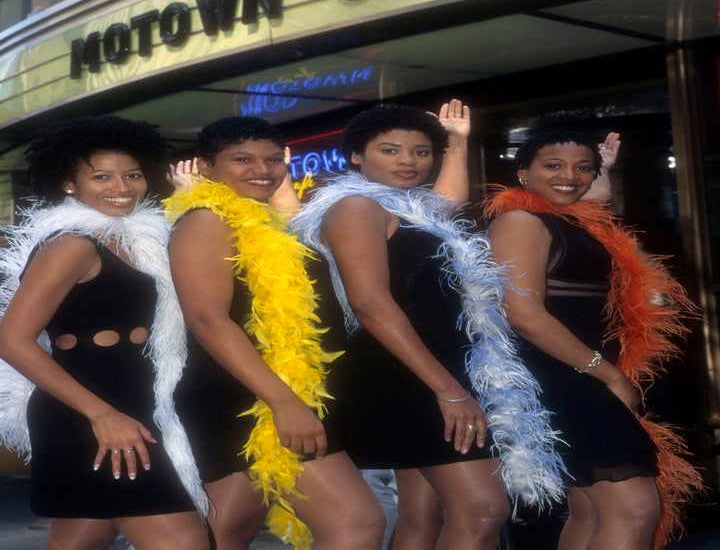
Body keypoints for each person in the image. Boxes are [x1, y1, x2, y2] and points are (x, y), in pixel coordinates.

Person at [292, 104, 566, 550]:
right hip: (407, 373)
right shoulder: (355, 206)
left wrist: (456, 141)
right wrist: (448, 389)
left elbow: (448, 204)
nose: (408, 160)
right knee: (483, 510)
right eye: (391, 150)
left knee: (424, 514)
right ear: (357, 156)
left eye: (421, 152)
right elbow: (368, 302)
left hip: (427, 368)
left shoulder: (408, 206)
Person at [164, 116, 385, 550]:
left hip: (271, 391)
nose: (261, 169)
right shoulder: (207, 220)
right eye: (242, 159)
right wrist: (284, 402)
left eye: (271, 159)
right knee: (356, 523)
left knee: (228, 531)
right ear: (207, 166)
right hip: (251, 401)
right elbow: (208, 320)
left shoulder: (264, 220)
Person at [482, 128, 703, 550]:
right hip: (565, 379)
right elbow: (523, 315)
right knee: (634, 508)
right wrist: (610, 377)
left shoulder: (570, 220)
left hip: (582, 376)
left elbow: (592, 212)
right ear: (523, 173)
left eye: (583, 168)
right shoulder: (519, 221)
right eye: (553, 166)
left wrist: (601, 170)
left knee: (591, 509)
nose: (570, 176)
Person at [0, 116, 209, 550]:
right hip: (87, 410)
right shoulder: (71, 245)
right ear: (70, 184)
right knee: (183, 541)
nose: (122, 187)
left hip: (131, 400)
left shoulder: (136, 238)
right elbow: (11, 340)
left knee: (85, 535)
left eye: (132, 174)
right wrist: (102, 415)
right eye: (101, 176)